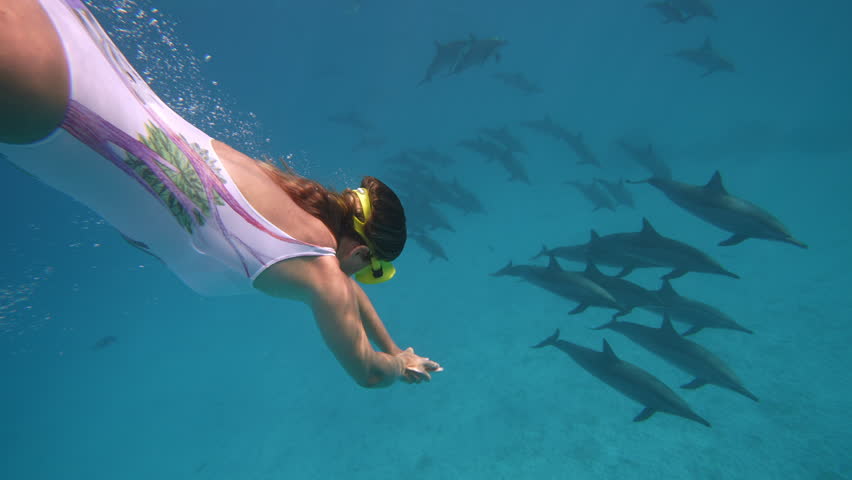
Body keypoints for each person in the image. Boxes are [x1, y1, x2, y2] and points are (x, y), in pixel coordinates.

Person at [0, 0, 442, 387]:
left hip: (74, 35)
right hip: (48, 101)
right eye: (367, 270)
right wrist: (396, 368)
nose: (353, 281)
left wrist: (396, 346)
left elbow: (347, 290)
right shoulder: (322, 272)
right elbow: (366, 371)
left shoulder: (282, 190)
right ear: (362, 254)